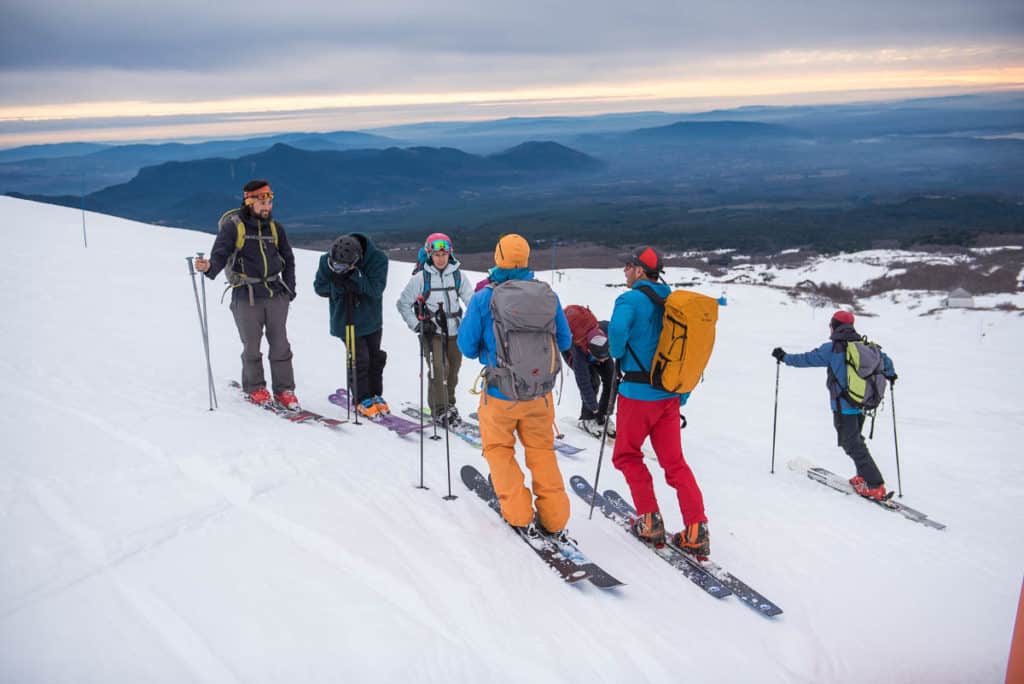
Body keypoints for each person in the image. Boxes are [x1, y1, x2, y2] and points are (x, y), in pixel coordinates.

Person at [457, 234, 574, 537]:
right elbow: (565, 340)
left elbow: (467, 347)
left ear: (498, 258)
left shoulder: (485, 298)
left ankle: (519, 515)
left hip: (500, 394)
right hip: (540, 393)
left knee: (499, 450)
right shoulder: (547, 295)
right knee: (542, 452)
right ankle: (555, 518)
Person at [608, 246, 710, 558]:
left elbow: (615, 338)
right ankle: (696, 530)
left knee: (626, 455)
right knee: (674, 463)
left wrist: (620, 353)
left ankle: (650, 521)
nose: (625, 271)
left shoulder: (629, 299)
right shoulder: (674, 303)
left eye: (628, 266)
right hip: (669, 396)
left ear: (640, 271)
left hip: (637, 396)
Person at [194, 179, 299, 409]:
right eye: (262, 202)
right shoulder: (234, 227)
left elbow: (288, 258)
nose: (267, 207)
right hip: (246, 295)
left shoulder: (275, 228)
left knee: (280, 344)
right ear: (249, 201)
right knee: (251, 345)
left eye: (269, 202)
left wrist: (289, 289)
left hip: (275, 293)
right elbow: (220, 255)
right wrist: (209, 267)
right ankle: (255, 388)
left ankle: (285, 390)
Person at [772, 310, 897, 500]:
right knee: (856, 440)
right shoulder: (867, 346)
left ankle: (874, 484)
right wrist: (891, 375)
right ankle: (864, 478)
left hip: (843, 405)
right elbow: (886, 362)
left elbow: (805, 359)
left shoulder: (833, 349)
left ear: (834, 326)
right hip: (862, 402)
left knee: (851, 443)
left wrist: (784, 357)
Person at [396, 232, 475, 426]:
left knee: (453, 371)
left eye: (444, 254)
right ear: (430, 254)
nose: (441, 258)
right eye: (437, 254)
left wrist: (471, 324)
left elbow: (471, 302)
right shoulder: (421, 278)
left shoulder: (458, 276)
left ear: (450, 254)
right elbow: (403, 304)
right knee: (439, 369)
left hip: (455, 332)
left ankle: (450, 404)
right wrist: (417, 324)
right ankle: (439, 409)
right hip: (432, 333)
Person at [313, 232, 389, 417]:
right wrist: (337, 286)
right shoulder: (326, 260)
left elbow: (375, 289)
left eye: (343, 267)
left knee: (375, 357)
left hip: (371, 319)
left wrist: (356, 279)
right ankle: (361, 398)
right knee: (359, 359)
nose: (338, 270)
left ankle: (375, 394)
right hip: (345, 319)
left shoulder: (377, 259)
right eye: (335, 266)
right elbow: (319, 287)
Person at [563, 306, 616, 437]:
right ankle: (587, 419)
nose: (603, 361)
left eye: (606, 357)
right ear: (590, 351)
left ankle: (604, 416)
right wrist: (594, 408)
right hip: (572, 352)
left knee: (611, 378)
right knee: (593, 381)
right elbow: (584, 384)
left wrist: (605, 410)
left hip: (597, 349)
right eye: (600, 359)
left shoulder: (606, 330)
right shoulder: (579, 353)